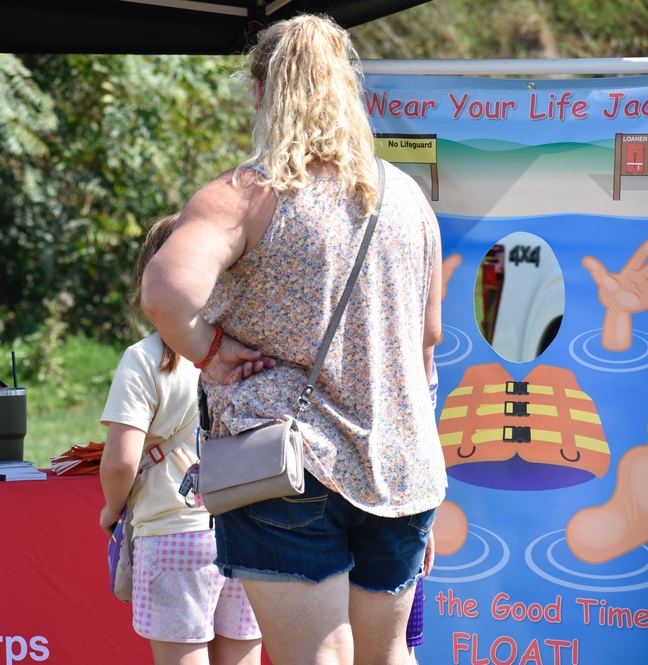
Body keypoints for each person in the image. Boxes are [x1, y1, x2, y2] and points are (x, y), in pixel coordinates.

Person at [140, 14, 445, 665]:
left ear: (260, 91)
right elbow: (429, 342)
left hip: (283, 461)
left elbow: (164, 291)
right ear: (346, 88)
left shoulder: (244, 196)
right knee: (388, 653)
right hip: (398, 462)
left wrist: (211, 352)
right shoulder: (407, 198)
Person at [99, 214, 263, 665]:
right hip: (248, 530)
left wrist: (112, 510)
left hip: (174, 535)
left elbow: (120, 462)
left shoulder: (144, 359)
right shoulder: (249, 349)